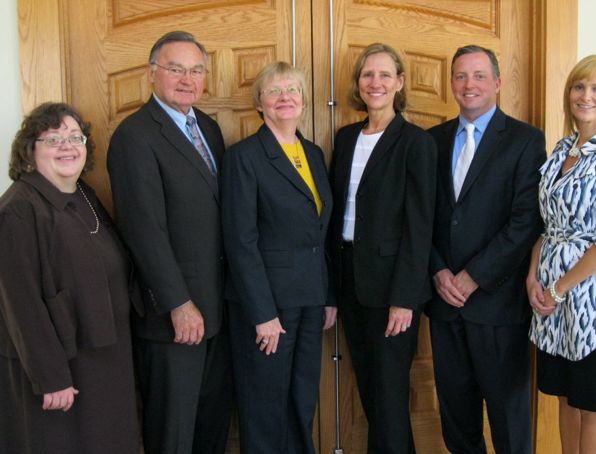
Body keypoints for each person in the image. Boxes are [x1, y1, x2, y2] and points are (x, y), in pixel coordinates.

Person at [107, 31, 231, 454]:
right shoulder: (135, 136)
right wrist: (179, 304)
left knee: (211, 428)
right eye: (176, 69)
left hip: (218, 311)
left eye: (196, 70)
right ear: (152, 73)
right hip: (174, 318)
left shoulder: (209, 129)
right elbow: (144, 231)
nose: (187, 79)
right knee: (173, 434)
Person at [0, 102, 142, 453]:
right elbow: (21, 304)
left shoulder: (83, 195)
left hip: (103, 359)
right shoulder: (18, 209)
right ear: (30, 151)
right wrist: (51, 378)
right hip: (58, 370)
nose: (67, 146)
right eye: (52, 139)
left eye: (74, 137)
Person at [426, 44, 546, 454]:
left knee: (508, 420)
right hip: (444, 305)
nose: (468, 84)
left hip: (498, 304)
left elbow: (526, 222)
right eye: (460, 76)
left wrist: (474, 276)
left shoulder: (526, 141)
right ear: (452, 85)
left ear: (496, 82)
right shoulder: (432, 141)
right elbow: (421, 218)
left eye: (478, 76)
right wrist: (439, 271)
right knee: (456, 419)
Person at [327, 43, 437, 454]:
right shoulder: (345, 137)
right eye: (368, 75)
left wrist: (405, 298)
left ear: (400, 83)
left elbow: (419, 227)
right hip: (351, 283)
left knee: (389, 396)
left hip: (393, 290)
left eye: (385, 75)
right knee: (374, 394)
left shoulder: (415, 143)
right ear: (358, 84)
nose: (375, 83)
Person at [221, 61, 336, 454]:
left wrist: (328, 296)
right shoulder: (245, 157)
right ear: (259, 103)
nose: (285, 98)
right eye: (274, 91)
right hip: (268, 307)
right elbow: (240, 241)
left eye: (292, 90)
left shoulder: (313, 154)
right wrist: (262, 313)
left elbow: (321, 234)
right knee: (265, 405)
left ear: (304, 101)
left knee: (302, 399)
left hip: (309, 299)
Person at [528, 55, 596, 454]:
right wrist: (533, 277)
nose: (585, 96)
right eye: (579, 87)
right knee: (564, 394)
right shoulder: (560, 151)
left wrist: (560, 287)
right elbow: (548, 224)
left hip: (594, 293)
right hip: (552, 292)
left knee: (592, 402)